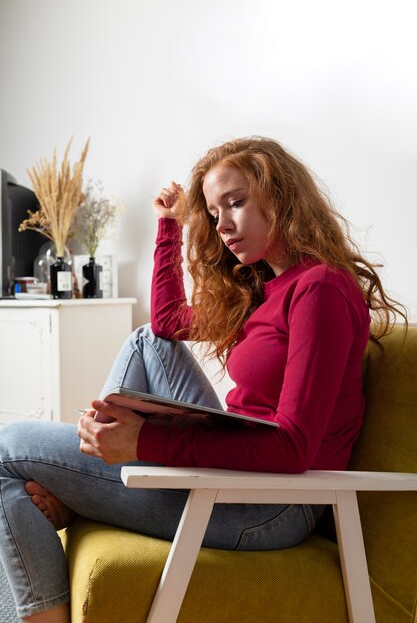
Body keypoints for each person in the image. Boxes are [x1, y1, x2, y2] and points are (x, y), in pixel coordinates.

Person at [0, 136, 406, 622]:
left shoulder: (319, 289)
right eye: (214, 213)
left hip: (266, 507)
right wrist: (169, 227)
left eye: (237, 203)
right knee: (147, 341)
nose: (224, 225)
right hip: (238, 477)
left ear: (280, 196)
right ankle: (90, 473)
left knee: (7, 449)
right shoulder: (271, 289)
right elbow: (169, 323)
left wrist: (146, 441)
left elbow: (294, 447)